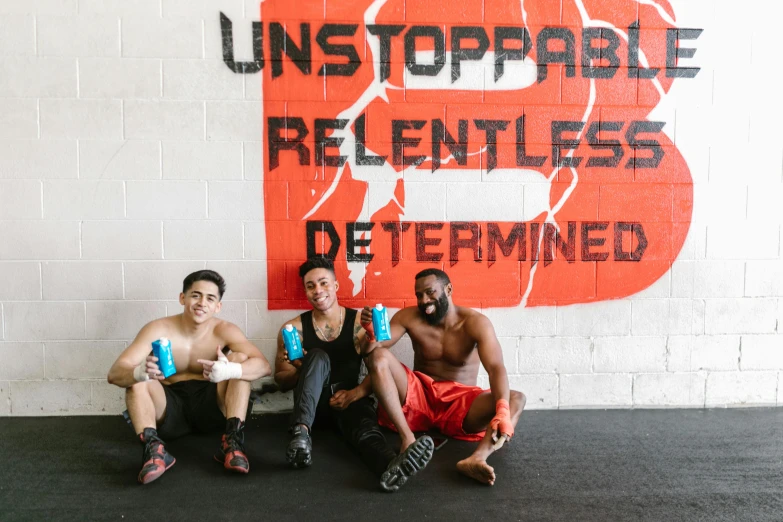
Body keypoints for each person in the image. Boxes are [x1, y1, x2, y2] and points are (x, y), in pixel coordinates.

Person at [274, 257, 433, 492]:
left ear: (336, 286)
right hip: (310, 409)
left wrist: (356, 393)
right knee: (316, 356)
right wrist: (300, 368)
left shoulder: (359, 322)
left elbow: (378, 368)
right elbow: (280, 379)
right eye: (310, 286)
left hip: (349, 398)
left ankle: (391, 466)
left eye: (323, 283)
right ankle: (300, 437)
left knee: (367, 433)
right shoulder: (292, 329)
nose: (318, 291)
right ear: (306, 292)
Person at [361, 268, 526, 486]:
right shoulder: (408, 317)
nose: (424, 300)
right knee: (380, 355)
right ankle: (407, 439)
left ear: (448, 289)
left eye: (430, 292)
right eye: (419, 295)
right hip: (419, 395)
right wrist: (371, 333)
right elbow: (371, 352)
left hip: (460, 404)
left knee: (516, 399)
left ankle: (476, 459)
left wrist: (502, 410)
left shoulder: (476, 323)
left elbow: (496, 368)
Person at [107, 270, 271, 484]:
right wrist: (139, 372)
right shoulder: (158, 328)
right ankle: (154, 451)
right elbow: (115, 373)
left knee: (240, 359)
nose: (202, 302)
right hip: (168, 409)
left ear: (217, 306)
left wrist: (230, 370)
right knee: (137, 378)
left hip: (212, 406)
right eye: (195, 295)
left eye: (210, 298)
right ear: (182, 298)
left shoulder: (225, 330)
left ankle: (232, 443)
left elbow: (264, 366)